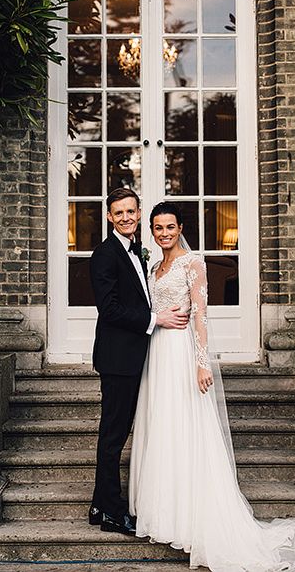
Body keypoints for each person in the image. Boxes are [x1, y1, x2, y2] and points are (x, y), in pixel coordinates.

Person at [129, 201, 295, 571]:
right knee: (162, 426)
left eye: (169, 227)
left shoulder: (192, 262)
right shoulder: (155, 266)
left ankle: (191, 517)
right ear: (151, 231)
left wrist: (202, 363)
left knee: (185, 427)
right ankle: (164, 512)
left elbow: (201, 315)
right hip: (157, 353)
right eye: (157, 228)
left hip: (182, 353)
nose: (164, 233)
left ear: (180, 227)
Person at [88, 188, 189, 536]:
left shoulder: (138, 252)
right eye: (119, 213)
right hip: (118, 360)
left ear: (138, 212)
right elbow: (110, 309)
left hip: (134, 358)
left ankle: (100, 505)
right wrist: (155, 319)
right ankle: (113, 512)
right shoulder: (105, 254)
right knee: (113, 437)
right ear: (109, 217)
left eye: (131, 212)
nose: (126, 218)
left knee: (114, 434)